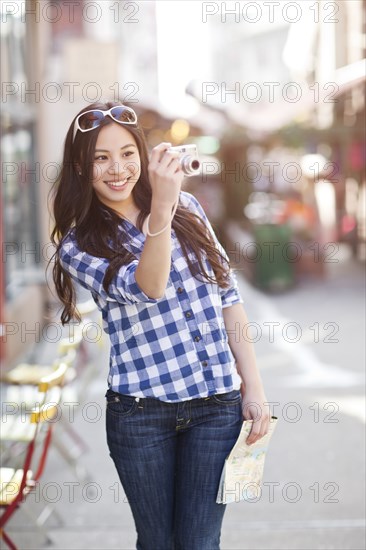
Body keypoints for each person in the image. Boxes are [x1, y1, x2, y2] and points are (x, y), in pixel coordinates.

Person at [50, 100, 271, 550]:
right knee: (157, 542)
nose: (118, 169)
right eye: (101, 157)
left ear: (143, 155)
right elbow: (148, 286)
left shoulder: (187, 206)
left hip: (216, 406)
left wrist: (254, 388)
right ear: (81, 167)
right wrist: (162, 212)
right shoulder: (80, 244)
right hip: (142, 415)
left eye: (128, 154)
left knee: (200, 541)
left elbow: (228, 298)